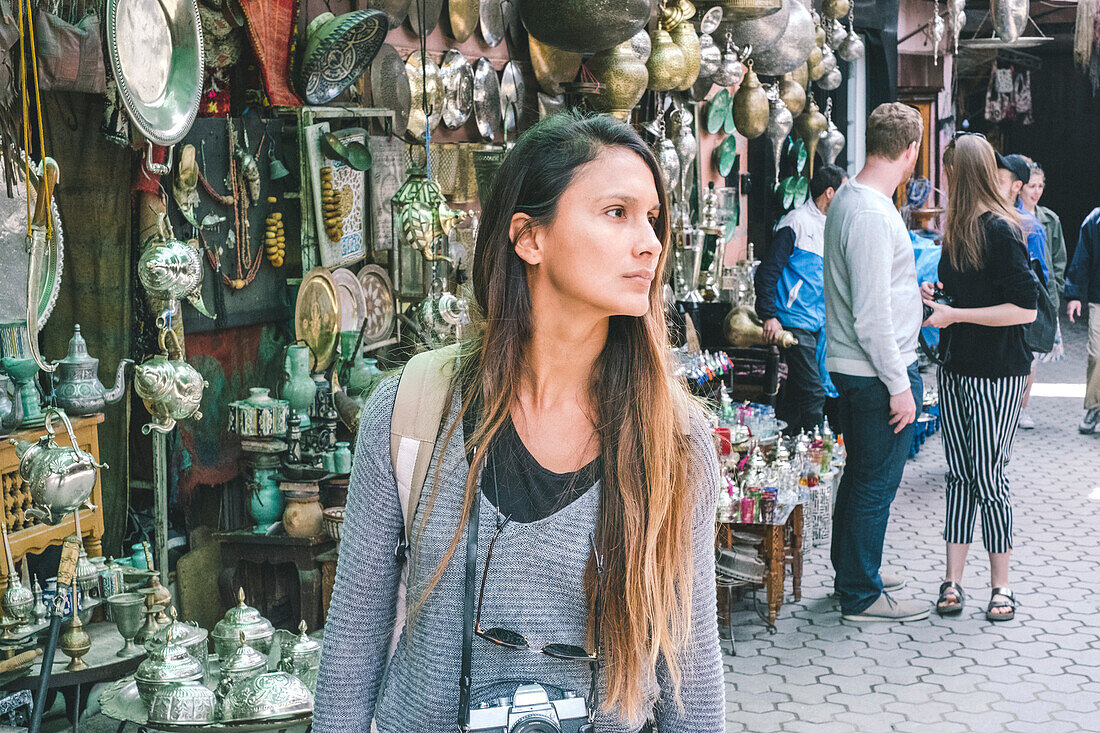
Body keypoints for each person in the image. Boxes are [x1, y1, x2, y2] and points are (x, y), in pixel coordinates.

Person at [313, 112, 725, 733]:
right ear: (529, 238)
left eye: (653, 218)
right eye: (617, 212)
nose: (650, 243)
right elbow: (351, 652)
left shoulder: (676, 442)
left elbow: (690, 677)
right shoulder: (412, 412)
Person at [921, 134, 1038, 622]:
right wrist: (937, 293)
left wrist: (956, 315)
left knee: (988, 477)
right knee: (960, 477)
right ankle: (952, 581)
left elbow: (1025, 310)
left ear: (961, 175)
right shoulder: (957, 231)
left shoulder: (1001, 230)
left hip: (996, 373)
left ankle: (1001, 586)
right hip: (957, 369)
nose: (944, 180)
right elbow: (960, 294)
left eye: (949, 172)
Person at [823, 102, 928, 623]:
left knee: (863, 476)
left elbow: (875, 293)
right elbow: (870, 313)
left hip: (863, 367)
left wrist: (914, 295)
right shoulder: (867, 210)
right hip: (874, 372)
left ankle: (854, 570)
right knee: (875, 481)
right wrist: (899, 384)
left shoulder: (854, 199)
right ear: (911, 151)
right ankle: (861, 593)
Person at [754, 164, 846, 435]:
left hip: (818, 325)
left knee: (797, 395)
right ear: (830, 192)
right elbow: (767, 273)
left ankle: (787, 446)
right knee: (814, 394)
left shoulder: (831, 226)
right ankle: (816, 455)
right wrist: (769, 316)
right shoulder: (796, 222)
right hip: (794, 324)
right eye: (844, 190)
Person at [995, 153, 1049, 429]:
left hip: (1019, 310)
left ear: (1016, 185)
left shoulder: (1029, 225)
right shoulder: (990, 218)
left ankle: (1019, 408)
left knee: (1025, 359)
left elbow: (1042, 276)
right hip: (996, 313)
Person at [1066, 207, 1100, 433]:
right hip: (1099, 300)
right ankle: (1095, 407)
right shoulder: (1095, 219)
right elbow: (1082, 257)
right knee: (1097, 354)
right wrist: (1074, 295)